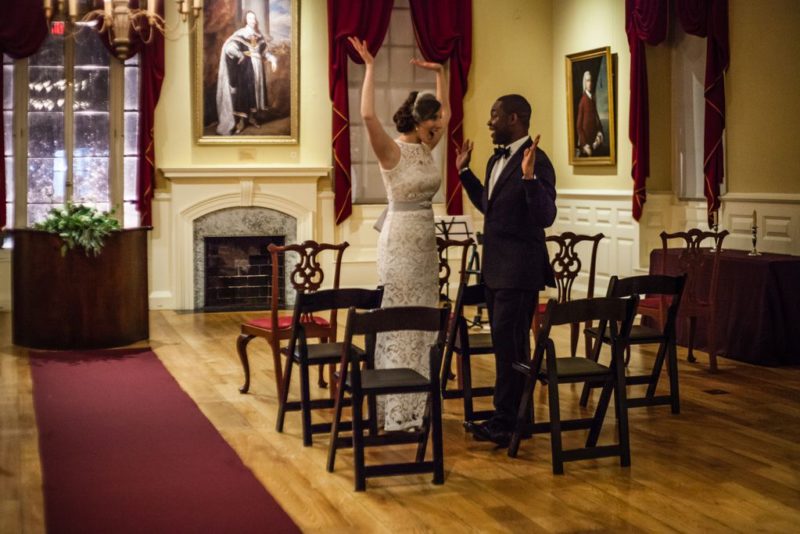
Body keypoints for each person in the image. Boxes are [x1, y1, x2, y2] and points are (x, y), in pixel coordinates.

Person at [348, 36, 449, 432]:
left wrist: (440, 74)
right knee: (400, 316)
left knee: (425, 319)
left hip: (426, 242)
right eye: (433, 122)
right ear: (418, 121)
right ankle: (395, 406)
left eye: (439, 123)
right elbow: (369, 117)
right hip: (399, 241)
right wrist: (370, 68)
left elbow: (450, 111)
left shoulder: (428, 145)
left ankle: (421, 405)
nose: (439, 128)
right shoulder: (391, 151)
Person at [455, 94, 557, 446]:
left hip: (520, 271)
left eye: (495, 116)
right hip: (496, 270)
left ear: (514, 118)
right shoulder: (493, 161)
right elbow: (489, 205)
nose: (489, 122)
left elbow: (546, 216)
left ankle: (506, 421)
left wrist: (529, 180)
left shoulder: (537, 161)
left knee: (510, 346)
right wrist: (464, 172)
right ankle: (515, 419)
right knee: (506, 346)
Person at [216, 10, 277, 135]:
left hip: (258, 69)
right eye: (250, 18)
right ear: (245, 20)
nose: (253, 21)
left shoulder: (259, 37)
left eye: (254, 18)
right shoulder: (240, 35)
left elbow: (265, 52)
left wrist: (272, 60)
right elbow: (229, 48)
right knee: (244, 94)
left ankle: (252, 117)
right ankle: (241, 121)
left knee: (256, 92)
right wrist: (239, 54)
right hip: (245, 69)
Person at [576, 70, 605, 157]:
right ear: (584, 83)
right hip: (587, 146)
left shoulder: (592, 100)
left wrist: (599, 133)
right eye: (588, 81)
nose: (590, 83)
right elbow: (578, 126)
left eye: (591, 80)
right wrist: (585, 144)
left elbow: (596, 119)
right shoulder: (583, 102)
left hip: (594, 143)